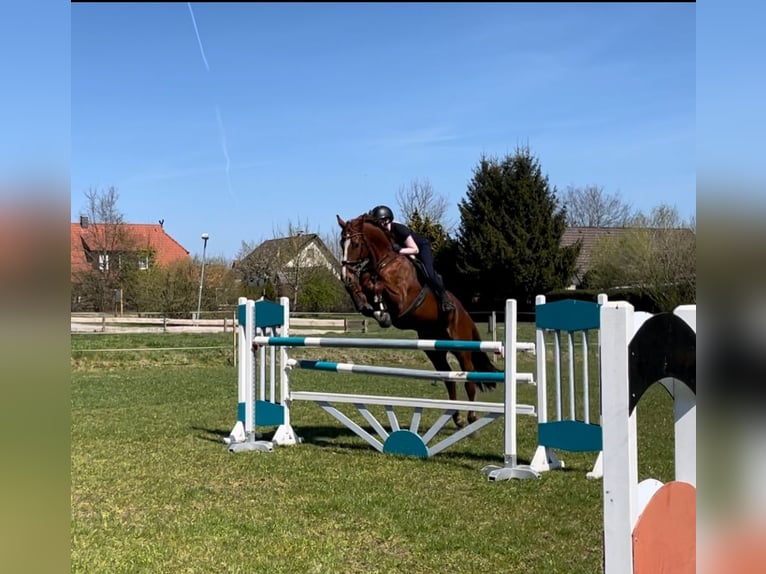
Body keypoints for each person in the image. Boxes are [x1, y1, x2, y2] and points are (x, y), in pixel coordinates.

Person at [368, 205, 456, 313]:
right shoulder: (385, 234)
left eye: (379, 222)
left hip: (421, 247)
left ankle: (444, 299)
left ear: (387, 220)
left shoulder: (400, 229)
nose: (378, 226)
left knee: (428, 273)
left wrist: (400, 250)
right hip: (406, 250)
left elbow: (415, 250)